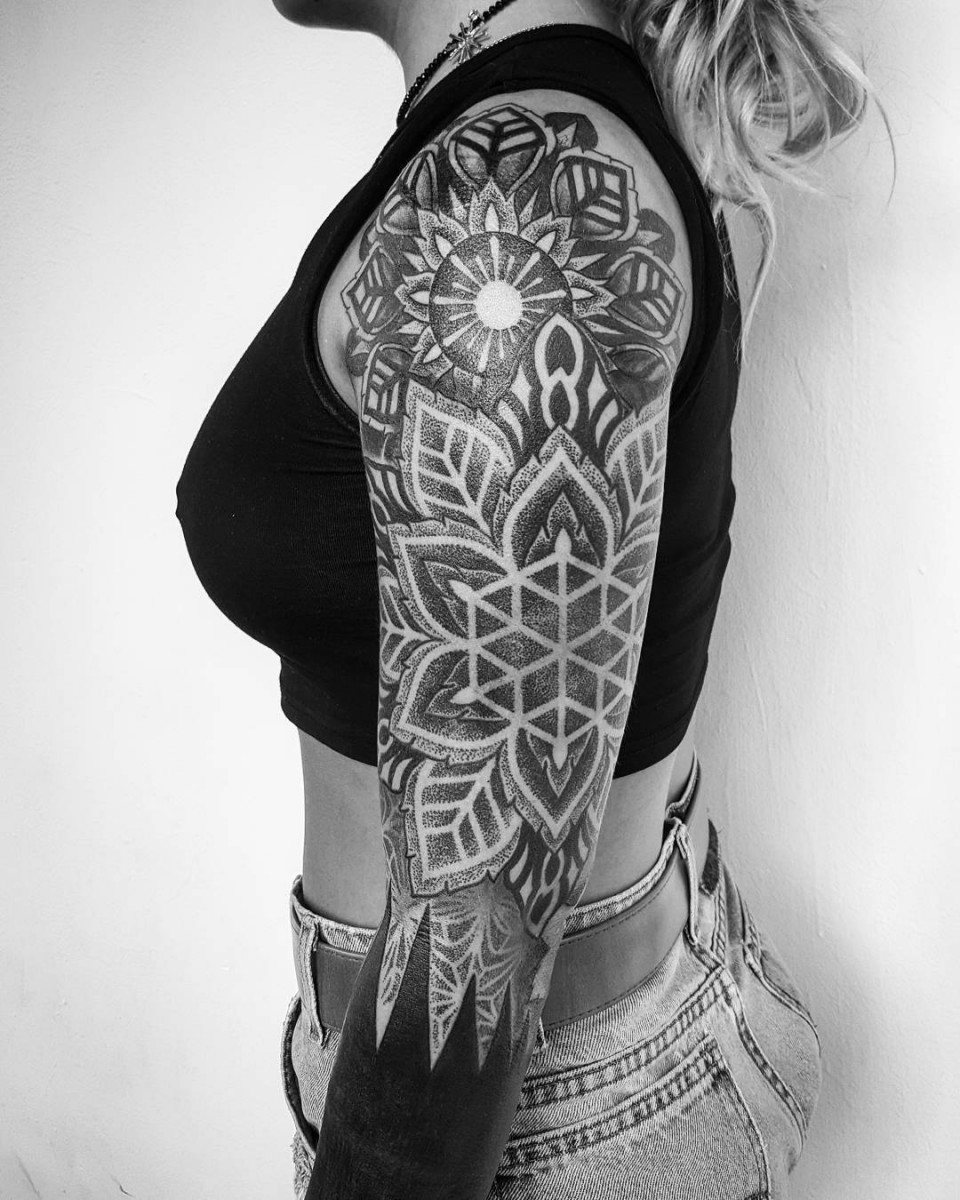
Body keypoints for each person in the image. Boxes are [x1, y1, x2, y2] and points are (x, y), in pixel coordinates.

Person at [175, 1, 872, 1195]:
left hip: (515, 1116)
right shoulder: (530, 146)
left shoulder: (511, 206)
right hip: (493, 1080)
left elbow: (471, 949)